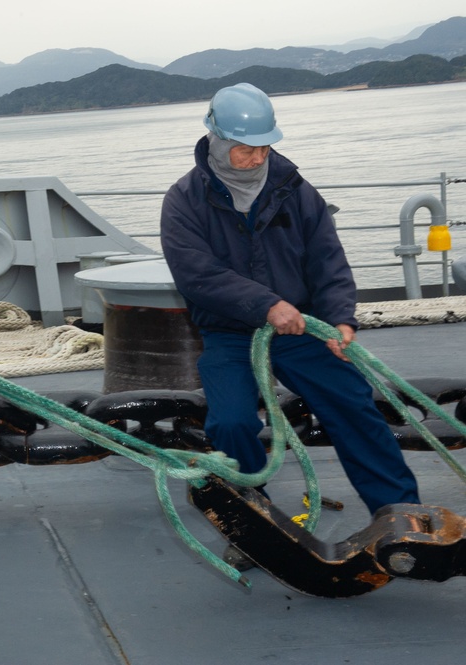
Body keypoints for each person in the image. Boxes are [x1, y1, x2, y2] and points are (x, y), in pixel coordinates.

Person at [159, 83, 420, 565]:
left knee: (352, 404)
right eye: (244, 147)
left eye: (263, 145)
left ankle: (400, 514)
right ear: (215, 139)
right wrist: (265, 305)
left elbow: (328, 261)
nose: (256, 157)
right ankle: (254, 524)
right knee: (231, 422)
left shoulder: (295, 189)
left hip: (302, 328)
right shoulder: (183, 201)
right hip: (230, 334)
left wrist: (340, 318)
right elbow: (196, 275)